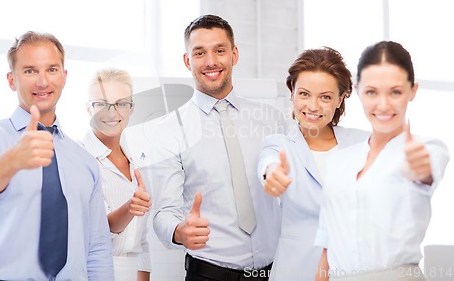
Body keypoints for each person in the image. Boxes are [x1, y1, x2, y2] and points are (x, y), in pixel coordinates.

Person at [0, 31, 114, 280]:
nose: (43, 82)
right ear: (12, 80)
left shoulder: (84, 160)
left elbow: (96, 248)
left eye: (52, 70)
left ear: (64, 77)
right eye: (30, 71)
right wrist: (12, 161)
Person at [149, 14, 289, 281]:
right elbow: (163, 213)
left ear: (234, 55)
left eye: (220, 50)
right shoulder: (170, 130)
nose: (211, 61)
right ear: (187, 61)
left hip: (275, 273)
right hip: (209, 275)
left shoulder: (272, 119)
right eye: (200, 52)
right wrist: (179, 231)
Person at [314, 41, 450, 280]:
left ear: (413, 90)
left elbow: (426, 170)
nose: (384, 105)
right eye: (372, 92)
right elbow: (327, 243)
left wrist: (421, 168)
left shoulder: (426, 149)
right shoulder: (338, 162)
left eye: (395, 92)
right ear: (358, 91)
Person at [257, 47, 369, 281]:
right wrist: (272, 174)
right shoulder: (278, 145)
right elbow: (268, 164)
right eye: (304, 94)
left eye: (325, 97)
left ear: (340, 99)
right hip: (297, 271)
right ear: (292, 93)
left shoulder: (363, 144)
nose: (313, 106)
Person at [81, 68, 152, 281]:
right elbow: (99, 226)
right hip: (94, 272)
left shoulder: (137, 162)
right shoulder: (80, 158)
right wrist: (130, 208)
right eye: (102, 103)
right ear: (88, 108)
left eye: (121, 103)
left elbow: (142, 238)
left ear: (131, 108)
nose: (112, 113)